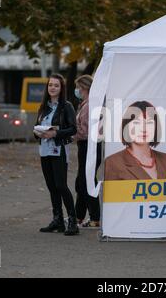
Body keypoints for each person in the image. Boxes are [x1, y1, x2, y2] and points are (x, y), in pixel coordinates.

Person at [34, 74, 79, 236]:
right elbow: (37, 126)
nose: (52, 88)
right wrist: (38, 133)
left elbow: (73, 129)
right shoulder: (43, 107)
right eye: (50, 85)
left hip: (59, 150)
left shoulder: (66, 106)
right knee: (52, 187)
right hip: (44, 151)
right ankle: (57, 220)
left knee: (61, 185)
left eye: (56, 85)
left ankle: (73, 221)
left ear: (61, 89)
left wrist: (55, 133)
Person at [105, 101, 166, 180]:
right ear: (126, 127)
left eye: (149, 123)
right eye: (136, 123)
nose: (143, 129)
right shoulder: (113, 163)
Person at [73, 75, 102, 228]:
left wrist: (69, 133)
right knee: (82, 181)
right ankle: (79, 216)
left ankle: (94, 217)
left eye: (78, 87)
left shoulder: (89, 105)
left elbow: (85, 131)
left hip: (88, 146)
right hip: (85, 146)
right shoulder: (86, 104)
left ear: (84, 88)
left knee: (86, 181)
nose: (76, 90)